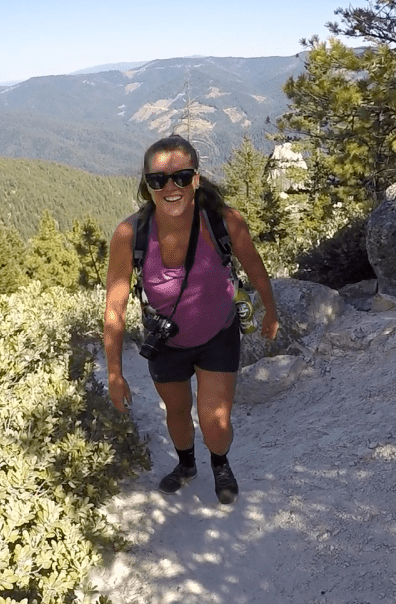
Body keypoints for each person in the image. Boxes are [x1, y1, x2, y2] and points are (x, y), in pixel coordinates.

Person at [103, 135, 279, 505]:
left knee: (216, 424)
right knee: (178, 413)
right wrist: (114, 374)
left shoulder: (224, 222)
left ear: (196, 179)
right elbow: (114, 308)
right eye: (158, 180)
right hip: (166, 342)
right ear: (147, 185)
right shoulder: (129, 235)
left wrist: (271, 309)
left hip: (218, 335)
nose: (171, 187)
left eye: (182, 177)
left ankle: (219, 462)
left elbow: (254, 265)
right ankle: (186, 465)